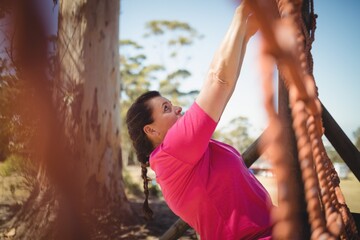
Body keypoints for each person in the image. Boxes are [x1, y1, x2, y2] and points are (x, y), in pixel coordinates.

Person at [126, 2, 273, 239]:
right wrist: (241, 13)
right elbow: (218, 81)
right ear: (151, 130)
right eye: (166, 108)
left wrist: (245, 34)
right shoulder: (172, 152)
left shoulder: (181, 155)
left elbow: (225, 86)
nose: (177, 108)